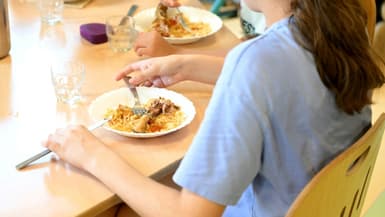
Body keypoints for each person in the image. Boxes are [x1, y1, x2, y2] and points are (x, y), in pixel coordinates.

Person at [43, 0, 385, 216]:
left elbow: (191, 214)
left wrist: (91, 154)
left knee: (109, 205)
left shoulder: (255, 64)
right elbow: (282, 80)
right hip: (324, 206)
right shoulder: (346, 21)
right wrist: (186, 65)